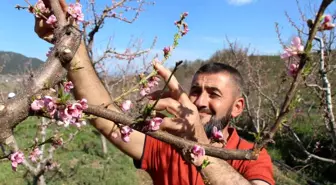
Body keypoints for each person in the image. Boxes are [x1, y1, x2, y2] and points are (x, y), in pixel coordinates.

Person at [33, 1, 275, 185]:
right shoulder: (167, 142)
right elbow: (108, 121)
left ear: (237, 106)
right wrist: (70, 41)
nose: (200, 101)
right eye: (195, 91)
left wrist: (199, 144)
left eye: (214, 94)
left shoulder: (253, 157)